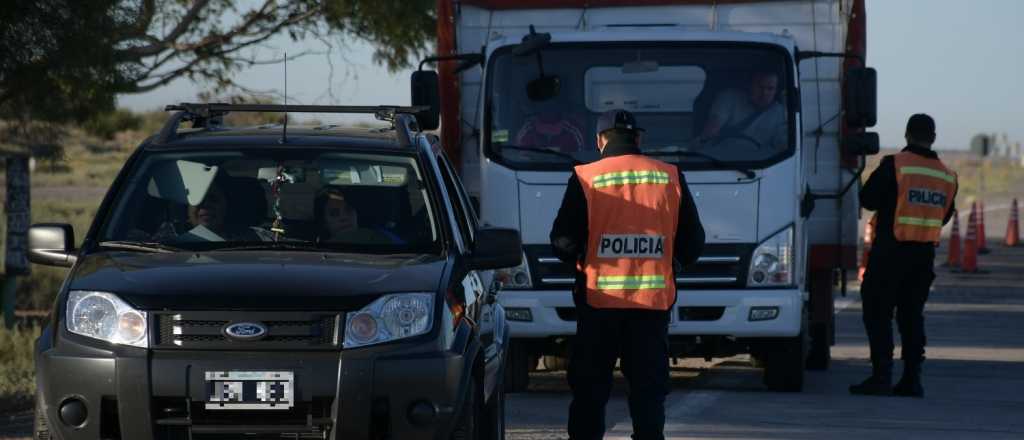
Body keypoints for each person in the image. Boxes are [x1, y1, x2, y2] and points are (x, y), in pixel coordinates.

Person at [550, 109, 705, 439]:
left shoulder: (586, 176)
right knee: (649, 393)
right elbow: (694, 242)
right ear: (639, 138)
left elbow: (563, 241)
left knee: (590, 392)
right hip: (651, 307)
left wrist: (582, 259)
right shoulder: (669, 176)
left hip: (598, 304)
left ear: (600, 140)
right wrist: (669, 264)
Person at [850, 114, 957, 398]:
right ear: (932, 137)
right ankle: (912, 379)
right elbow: (944, 215)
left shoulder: (895, 165)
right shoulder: (947, 175)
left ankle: (881, 375)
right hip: (922, 259)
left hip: (889, 254)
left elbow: (868, 199)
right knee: (911, 317)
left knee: (878, 313)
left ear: (907, 135)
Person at [699, 69, 787, 149]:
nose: (764, 93)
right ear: (750, 85)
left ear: (776, 91)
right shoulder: (730, 97)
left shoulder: (780, 112)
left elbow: (782, 144)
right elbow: (713, 125)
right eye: (760, 87)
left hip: (760, 163)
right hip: (720, 156)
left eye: (770, 89)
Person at [314, 186, 404, 245]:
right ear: (324, 222)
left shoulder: (383, 238)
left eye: (348, 210)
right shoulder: (314, 253)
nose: (344, 217)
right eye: (334, 213)